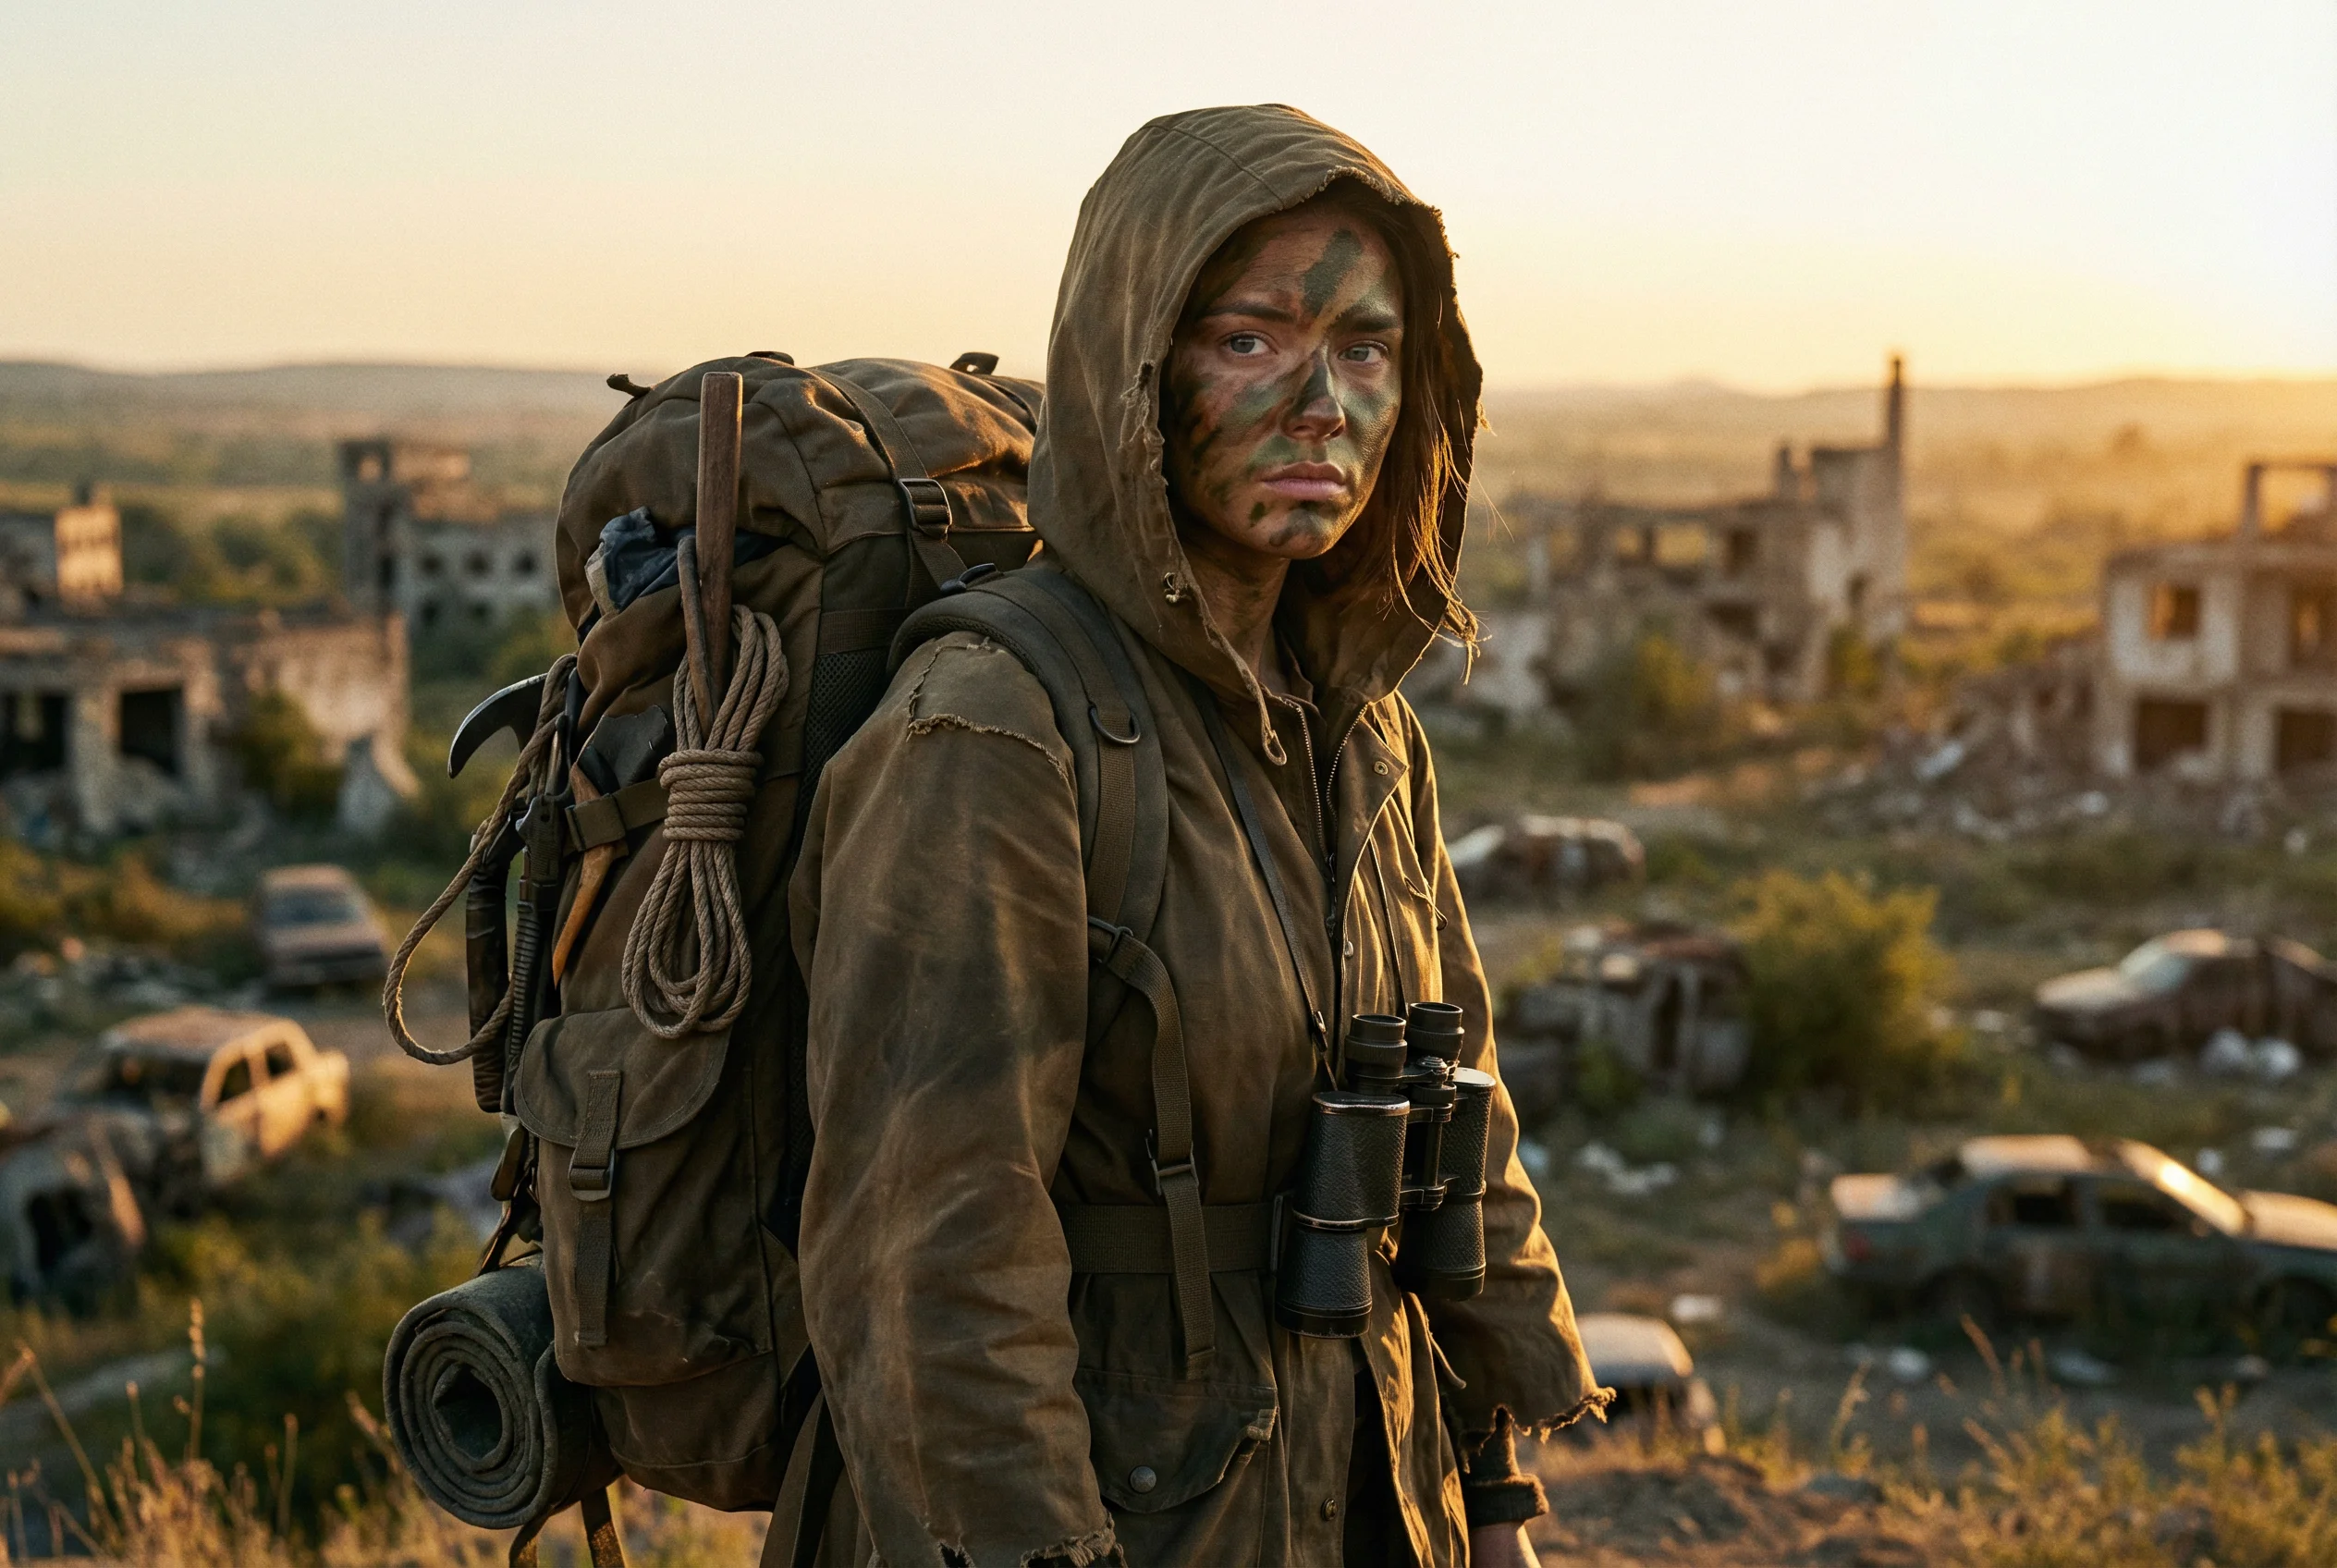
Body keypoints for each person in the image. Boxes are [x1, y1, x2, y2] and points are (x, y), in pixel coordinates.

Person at [789, 104, 1606, 1567]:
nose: (1324, 405)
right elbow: (931, 1270)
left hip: (1361, 1495)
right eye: (1251, 338)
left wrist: (1490, 1501)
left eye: (1368, 349)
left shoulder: (1362, 724)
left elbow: (1450, 1141)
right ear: (1139, 372)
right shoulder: (992, 728)